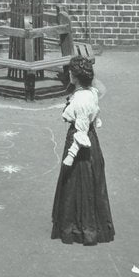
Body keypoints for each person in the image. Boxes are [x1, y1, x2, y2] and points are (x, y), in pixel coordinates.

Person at [51, 56, 115, 245]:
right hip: (92, 141)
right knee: (90, 184)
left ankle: (78, 227)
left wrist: (70, 156)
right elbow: (93, 118)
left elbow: (81, 132)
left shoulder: (80, 100)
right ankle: (90, 224)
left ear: (75, 76)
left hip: (79, 144)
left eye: (70, 72)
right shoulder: (90, 92)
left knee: (76, 183)